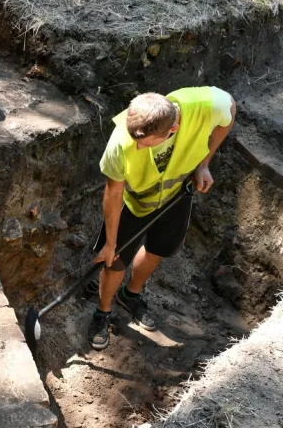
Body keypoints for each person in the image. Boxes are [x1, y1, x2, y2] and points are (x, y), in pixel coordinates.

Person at [88, 87, 235, 350]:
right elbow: (112, 195)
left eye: (144, 143)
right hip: (135, 202)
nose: (136, 146)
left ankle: (130, 295)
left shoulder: (206, 105)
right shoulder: (121, 142)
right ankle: (103, 312)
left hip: (177, 194)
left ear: (172, 130)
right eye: (134, 139)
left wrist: (203, 164)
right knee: (116, 261)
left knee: (158, 249)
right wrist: (110, 244)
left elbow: (230, 110)